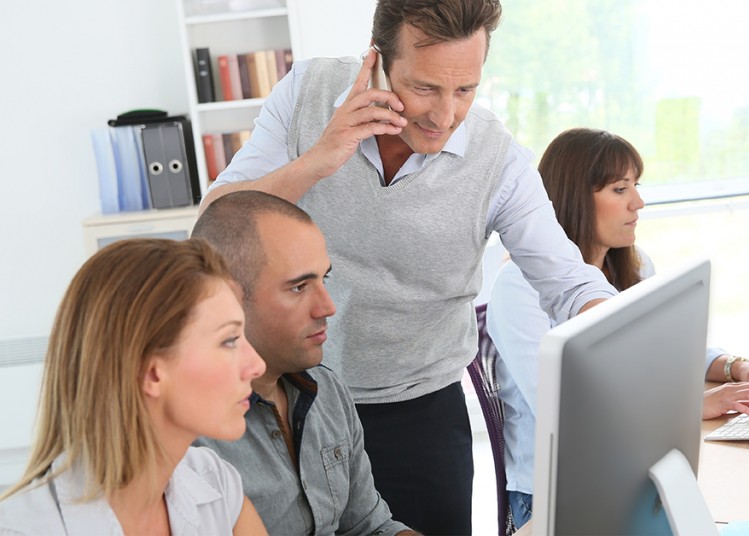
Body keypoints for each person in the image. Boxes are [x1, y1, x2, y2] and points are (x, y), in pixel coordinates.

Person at [198, 0, 617, 532]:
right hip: (292, 397)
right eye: (424, 88)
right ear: (377, 60)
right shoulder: (306, 93)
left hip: (420, 413)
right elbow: (213, 226)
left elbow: (569, 283)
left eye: (465, 90)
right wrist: (319, 160)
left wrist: (620, 343)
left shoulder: (497, 160)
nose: (444, 116)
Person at [486, 128, 749, 529]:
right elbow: (560, 410)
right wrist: (692, 407)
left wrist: (738, 367)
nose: (638, 202)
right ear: (574, 198)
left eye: (636, 186)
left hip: (633, 474)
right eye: (620, 189)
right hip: (555, 498)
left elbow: (670, 347)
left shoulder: (631, 265)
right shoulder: (518, 287)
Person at [0, 239, 268, 535]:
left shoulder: (216, 484)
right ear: (151, 374)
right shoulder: (21, 529)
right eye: (229, 340)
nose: (257, 365)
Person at [192, 191, 415, 536]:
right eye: (298, 287)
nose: (328, 307)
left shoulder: (327, 390)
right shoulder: (185, 436)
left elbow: (370, 527)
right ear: (228, 298)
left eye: (324, 279)